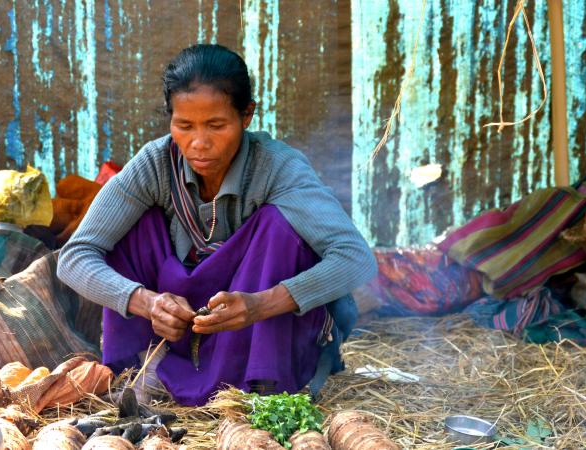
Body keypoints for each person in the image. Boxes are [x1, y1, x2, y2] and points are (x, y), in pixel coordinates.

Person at [57, 44, 377, 406]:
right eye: (184, 125)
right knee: (134, 226)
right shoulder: (156, 164)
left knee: (279, 226)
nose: (199, 143)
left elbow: (355, 258)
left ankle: (259, 383)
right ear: (170, 120)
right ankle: (148, 370)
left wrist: (260, 304)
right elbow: (74, 257)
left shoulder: (278, 168)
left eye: (216, 125)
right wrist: (148, 303)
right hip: (176, 324)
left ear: (247, 116)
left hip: (254, 326)